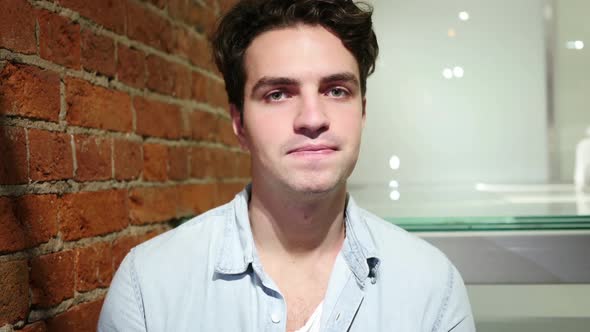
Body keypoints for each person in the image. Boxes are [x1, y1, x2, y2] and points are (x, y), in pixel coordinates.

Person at [98, 0, 475, 331]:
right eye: (277, 94)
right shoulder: (149, 286)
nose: (312, 118)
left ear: (362, 111)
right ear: (239, 123)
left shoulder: (432, 288)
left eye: (336, 90)